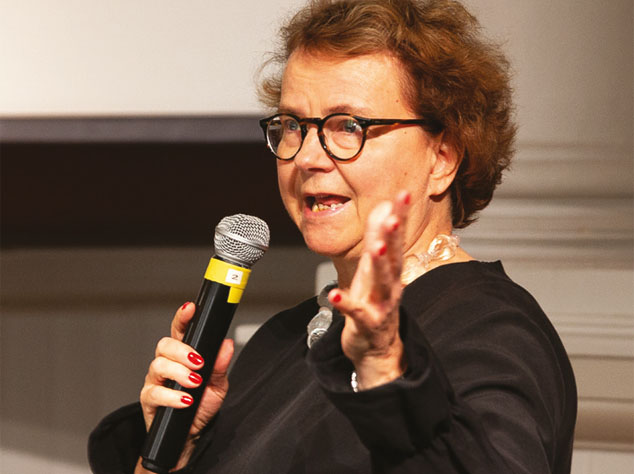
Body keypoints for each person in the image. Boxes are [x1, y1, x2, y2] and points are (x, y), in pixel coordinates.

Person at [88, 0, 577, 472]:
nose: (306, 157)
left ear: (442, 158)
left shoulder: (491, 331)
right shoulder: (280, 340)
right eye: (293, 125)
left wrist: (386, 378)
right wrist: (177, 453)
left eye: (348, 126)